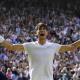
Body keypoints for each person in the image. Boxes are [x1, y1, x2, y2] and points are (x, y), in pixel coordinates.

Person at [0, 22, 80, 80]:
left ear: (47, 33)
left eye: (44, 29)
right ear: (36, 33)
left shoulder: (53, 46)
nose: (42, 31)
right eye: (40, 29)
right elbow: (11, 47)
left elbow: (71, 47)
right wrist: (1, 39)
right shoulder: (29, 45)